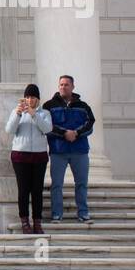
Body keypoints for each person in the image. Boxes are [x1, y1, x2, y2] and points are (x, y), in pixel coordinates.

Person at [43, 75, 96, 222]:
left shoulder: (84, 106)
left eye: (66, 85)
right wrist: (64, 133)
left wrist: (76, 133)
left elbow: (90, 124)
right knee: (57, 185)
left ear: (73, 87)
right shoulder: (49, 106)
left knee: (81, 183)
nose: (63, 87)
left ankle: (83, 213)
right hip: (58, 151)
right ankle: (57, 214)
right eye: (61, 84)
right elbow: (47, 126)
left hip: (80, 151)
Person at [5, 83, 53, 234]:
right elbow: (9, 130)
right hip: (20, 155)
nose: (29, 100)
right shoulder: (17, 112)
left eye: (32, 97)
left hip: (39, 155)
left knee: (37, 190)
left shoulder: (44, 113)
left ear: (37, 99)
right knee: (23, 190)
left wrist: (34, 114)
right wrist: (18, 115)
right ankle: (24, 222)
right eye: (27, 97)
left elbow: (47, 129)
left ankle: (37, 222)